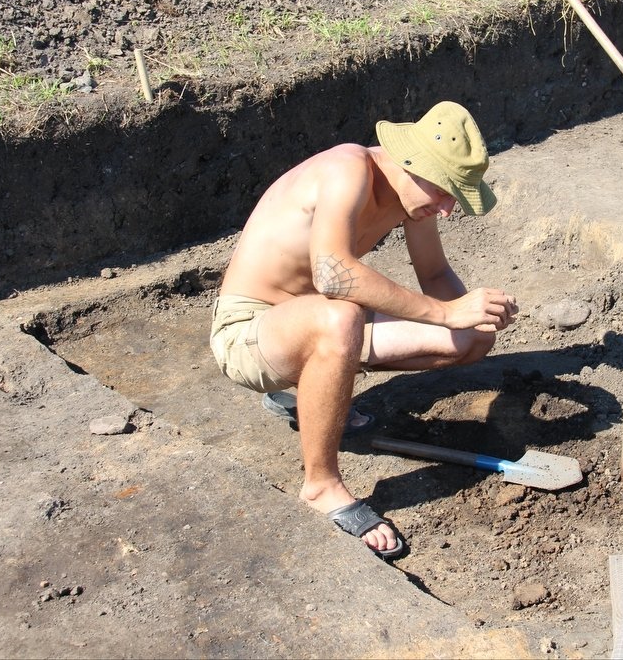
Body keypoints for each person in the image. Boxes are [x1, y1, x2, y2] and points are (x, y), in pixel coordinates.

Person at [209, 101, 518, 559]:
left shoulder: (412, 200)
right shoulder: (346, 169)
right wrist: (444, 313)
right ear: (413, 164)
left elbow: (434, 275)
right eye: (445, 191)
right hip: (250, 332)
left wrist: (469, 313)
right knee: (342, 316)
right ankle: (321, 486)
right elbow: (332, 275)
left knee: (473, 336)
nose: (448, 209)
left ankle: (318, 391)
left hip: (316, 322)